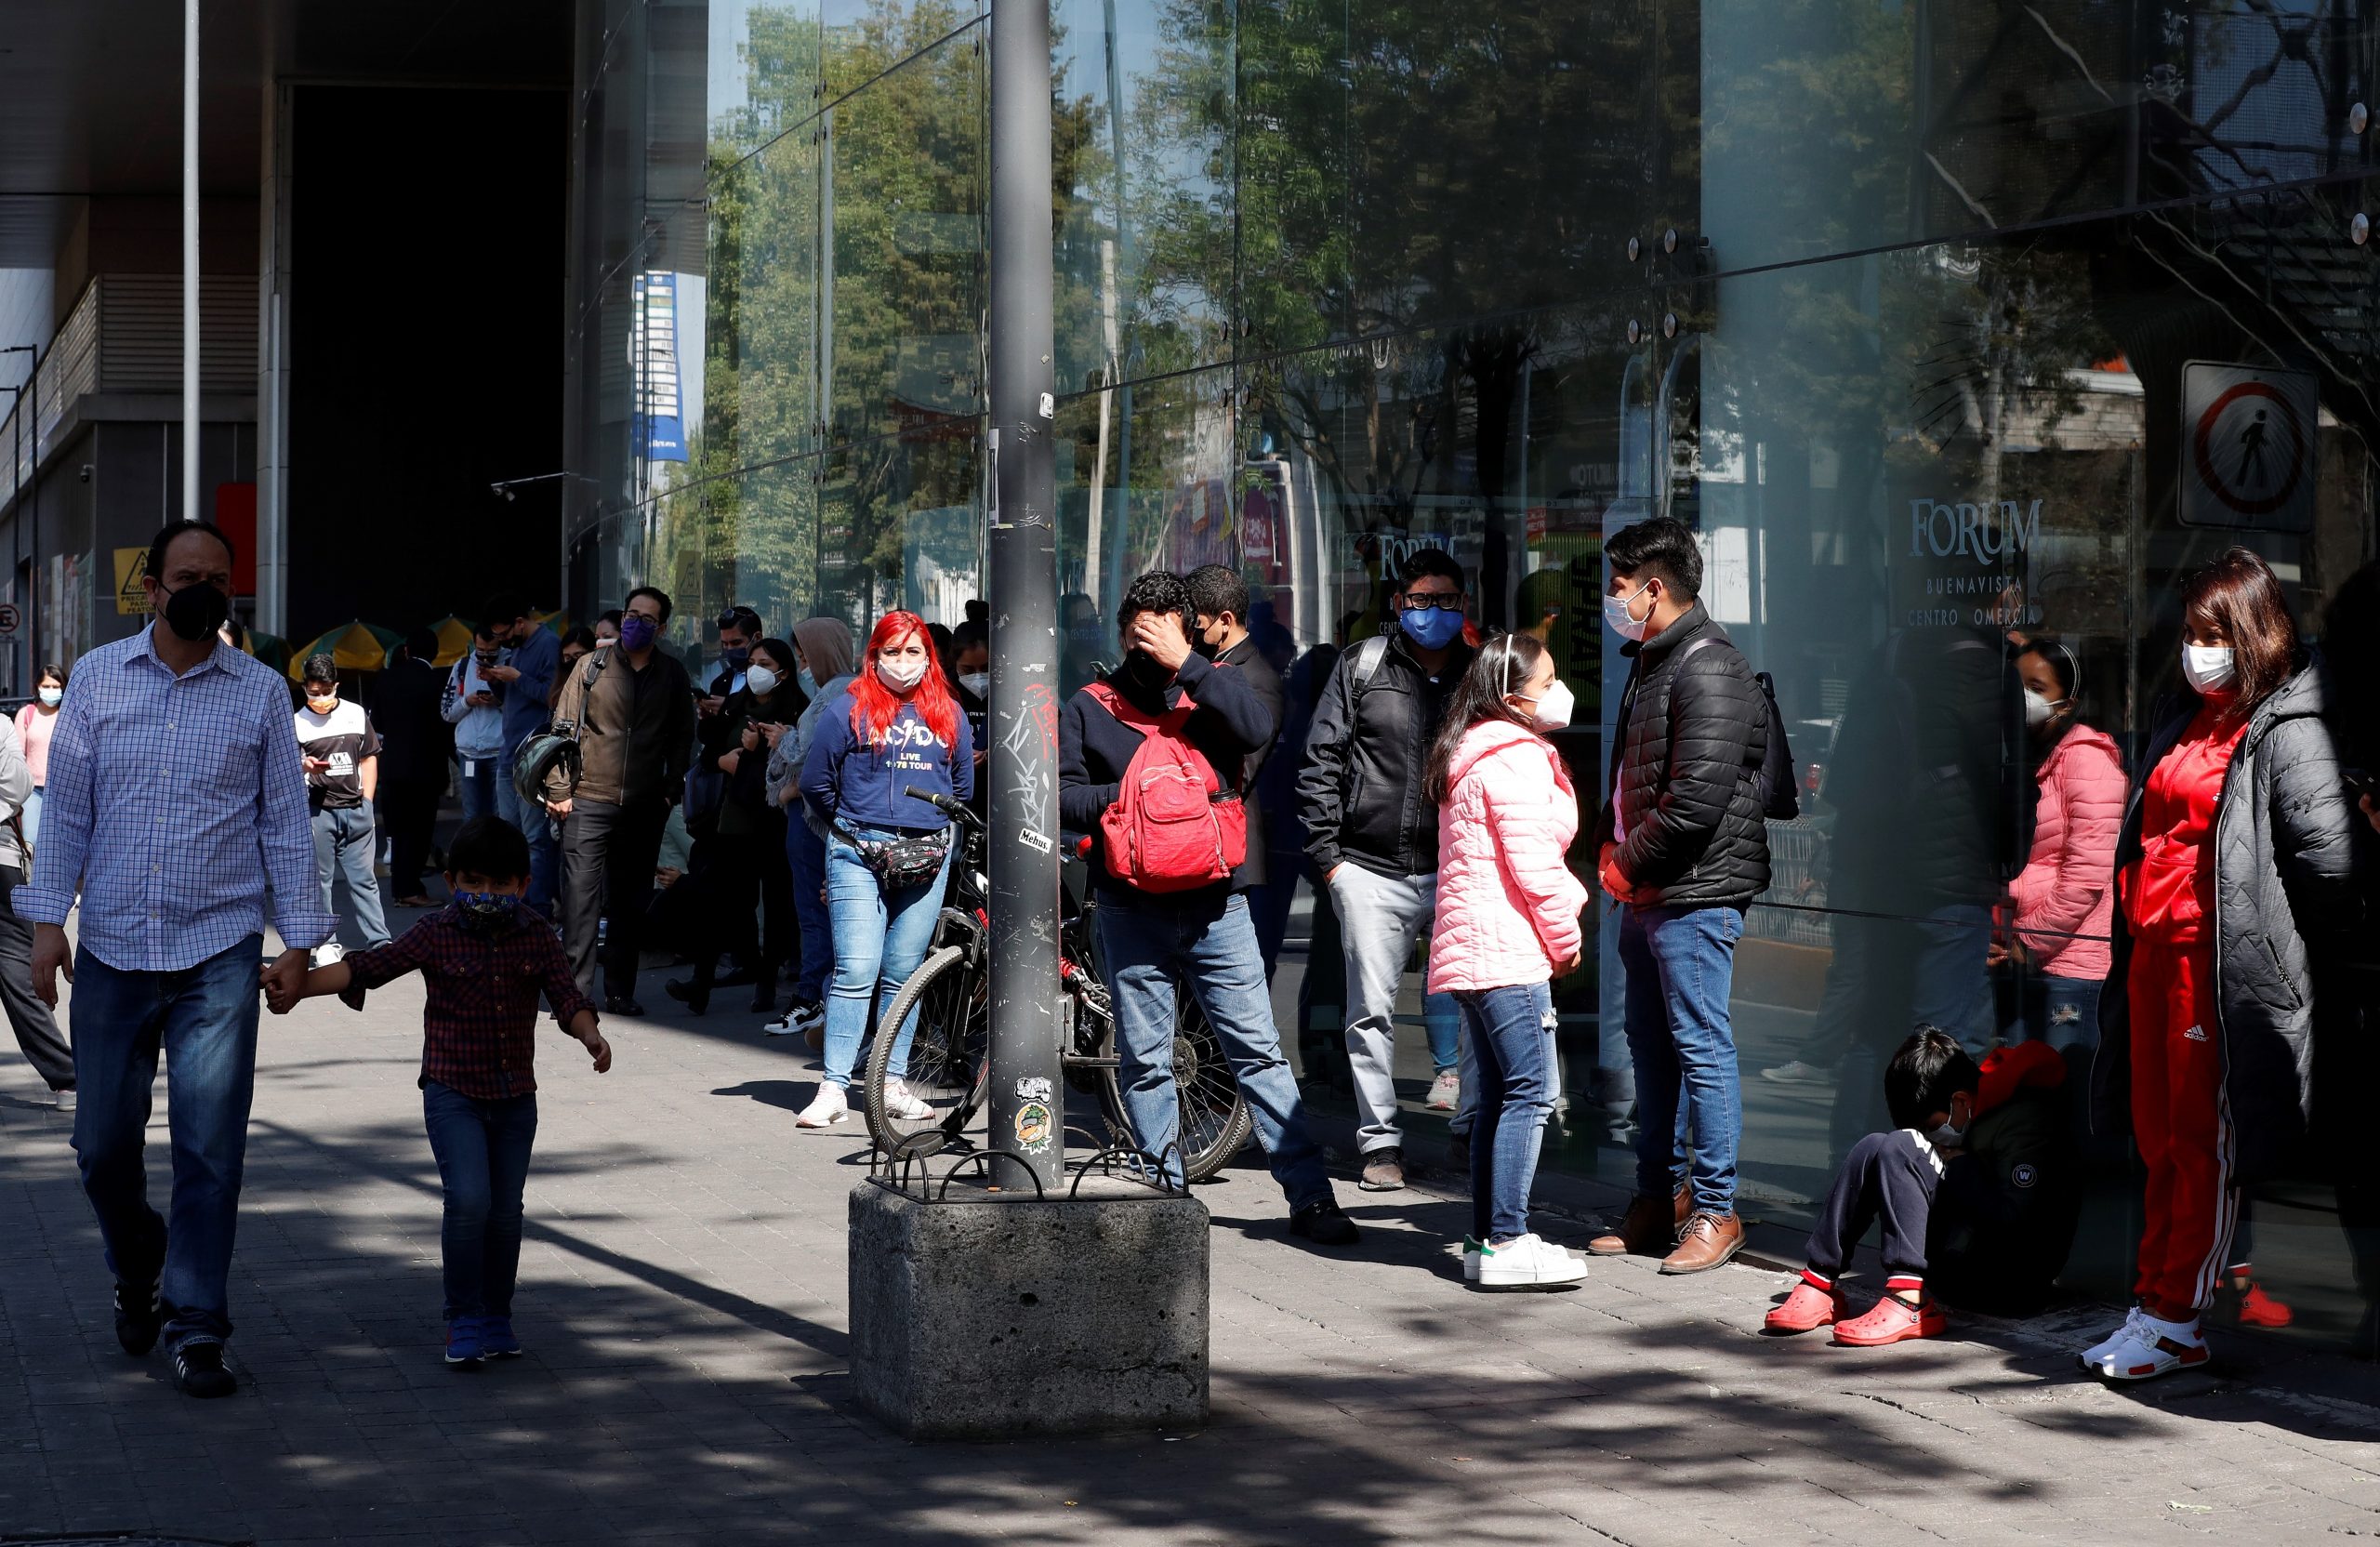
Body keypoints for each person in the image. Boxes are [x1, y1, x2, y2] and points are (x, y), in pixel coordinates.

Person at [20, 519, 333, 1399]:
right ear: (151, 588)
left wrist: (302, 946)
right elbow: (68, 809)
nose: (204, 587)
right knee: (99, 1147)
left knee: (209, 1149)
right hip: (114, 948)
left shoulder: (262, 692)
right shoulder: (95, 681)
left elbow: (283, 822)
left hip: (219, 956)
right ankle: (139, 1264)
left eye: (218, 575)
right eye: (186, 574)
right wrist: (48, 925)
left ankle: (196, 1323)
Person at [2080, 549, 2358, 1382]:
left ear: (2251, 632)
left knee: (2199, 1140)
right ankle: (2152, 1302)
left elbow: (2328, 859)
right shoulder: (2186, 713)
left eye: (2215, 633)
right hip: (2154, 951)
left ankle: (2177, 1316)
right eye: (2192, 633)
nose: (2199, 650)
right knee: (2159, 1135)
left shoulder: (2286, 725)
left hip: (2215, 961)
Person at [1062, 572, 1360, 1245]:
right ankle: (1163, 1193)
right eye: (1138, 631)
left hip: (1216, 906)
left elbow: (1257, 729)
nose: (1149, 644)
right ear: (1120, 631)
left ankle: (1310, 1196)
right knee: (1144, 1055)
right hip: (1128, 904)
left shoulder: (1216, 693)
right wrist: (1132, 798)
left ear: (1191, 627)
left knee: (1256, 1052)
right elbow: (1061, 793)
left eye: (1164, 629)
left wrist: (1188, 665)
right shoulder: (1089, 705)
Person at [263, 816, 611, 1368]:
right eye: (474, 882)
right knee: (470, 1201)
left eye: (500, 885)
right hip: (453, 1093)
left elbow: (565, 995)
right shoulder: (436, 931)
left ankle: (498, 1314)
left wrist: (589, 1032)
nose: (487, 895)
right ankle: (463, 1318)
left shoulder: (537, 934)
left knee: (505, 1212)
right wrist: (301, 986)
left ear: (522, 886)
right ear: (452, 881)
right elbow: (367, 968)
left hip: (516, 1096)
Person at [1586, 516, 1771, 1275]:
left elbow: (1696, 799)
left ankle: (1717, 1210)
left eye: (1619, 586)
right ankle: (1657, 1198)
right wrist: (1609, 847)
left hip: (1693, 893)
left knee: (1700, 1050)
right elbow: (1636, 778)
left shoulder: (1708, 666)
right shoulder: (1654, 660)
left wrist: (1624, 864)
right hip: (1647, 893)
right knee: (1651, 1053)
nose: (1610, 598)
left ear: (1655, 587)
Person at [1295, 547, 1478, 1192]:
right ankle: (1380, 1145)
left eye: (1447, 601)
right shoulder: (1363, 664)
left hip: (1461, 868)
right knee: (1369, 1011)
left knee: (1478, 1006)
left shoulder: (1481, 675)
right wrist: (1330, 862)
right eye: (1421, 600)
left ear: (1464, 606)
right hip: (1369, 870)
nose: (1434, 612)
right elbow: (1320, 760)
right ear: (1399, 605)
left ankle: (1471, 1131)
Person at [1425, 631, 1589, 1288]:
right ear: (1512, 694)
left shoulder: (1470, 753)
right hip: (1507, 950)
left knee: (1494, 1094)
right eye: (1547, 680)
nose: (1557, 692)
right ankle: (1510, 1239)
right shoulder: (1514, 758)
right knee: (1530, 1092)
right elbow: (1535, 867)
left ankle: (1488, 1241)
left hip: (1472, 949)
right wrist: (1566, 939)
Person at [1763, 1027, 2081, 1346]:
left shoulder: (2025, 1120)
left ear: (1960, 1100)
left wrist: (1958, 1165)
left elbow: (2016, 1218)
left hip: (2007, 1280)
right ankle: (1819, 1281)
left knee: (1902, 1145)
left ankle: (1907, 1301)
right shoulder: (1963, 1116)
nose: (1929, 1135)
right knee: (1873, 1146)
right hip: (1956, 1264)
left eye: (1929, 1126)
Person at [795, 611, 972, 1127]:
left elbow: (961, 789)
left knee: (904, 975)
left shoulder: (949, 714)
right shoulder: (847, 707)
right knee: (855, 970)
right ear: (874, 656)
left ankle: (890, 1082)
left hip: (928, 855)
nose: (903, 662)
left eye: (913, 651)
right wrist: (851, 830)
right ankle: (833, 1088)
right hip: (857, 851)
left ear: (928, 657)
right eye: (892, 652)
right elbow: (814, 782)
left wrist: (926, 830)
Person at [544, 586, 696, 1014]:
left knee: (629, 904)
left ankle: (620, 992)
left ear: (662, 627)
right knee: (580, 900)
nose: (636, 623)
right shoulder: (591, 666)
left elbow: (684, 736)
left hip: (644, 806)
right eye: (632, 614)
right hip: (588, 799)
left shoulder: (672, 673)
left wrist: (670, 789)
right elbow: (562, 728)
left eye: (647, 619)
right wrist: (559, 789)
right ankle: (573, 995)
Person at [1996, 640, 2123, 1055]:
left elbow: (2087, 877)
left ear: (2066, 704)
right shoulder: (2024, 758)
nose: (2023, 696)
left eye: (2037, 686)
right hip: (2029, 959)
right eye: (2017, 683)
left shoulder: (2087, 762)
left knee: (2067, 1094)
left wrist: (2029, 943)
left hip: (2074, 965)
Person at [669, 637, 803, 1014]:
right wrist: (721, 751)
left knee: (775, 905)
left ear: (784, 671)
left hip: (774, 822)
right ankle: (701, 982)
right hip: (733, 820)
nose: (756, 669)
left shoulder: (796, 711)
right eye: (752, 662)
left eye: (766, 663)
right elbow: (711, 756)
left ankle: (765, 983)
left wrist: (753, 754)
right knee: (718, 900)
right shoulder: (736, 704)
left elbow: (791, 766)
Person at [762, 617, 857, 1041]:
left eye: (804, 652)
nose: (801, 660)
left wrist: (783, 742)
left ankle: (811, 1000)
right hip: (822, 818)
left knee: (815, 913)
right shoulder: (838, 691)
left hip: (814, 820)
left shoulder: (836, 693)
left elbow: (807, 754)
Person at [296, 654, 392, 959]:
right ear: (304, 688)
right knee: (320, 882)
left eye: (326, 691)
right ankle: (326, 944)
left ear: (336, 685)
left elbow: (369, 757)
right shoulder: (297, 722)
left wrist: (367, 801)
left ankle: (380, 943)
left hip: (356, 808)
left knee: (365, 881)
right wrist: (305, 766)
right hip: (318, 810)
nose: (321, 698)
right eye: (314, 692)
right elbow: (288, 767)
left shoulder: (355, 713)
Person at [0, 714, 72, 1110]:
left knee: (19, 973)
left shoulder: (1, 726)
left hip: (2, 863)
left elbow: (19, 786)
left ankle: (66, 1077)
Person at [479, 594, 562, 913]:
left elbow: (553, 697)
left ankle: (536, 907)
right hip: (509, 753)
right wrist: (497, 681)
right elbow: (512, 699)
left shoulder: (548, 644)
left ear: (519, 622)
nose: (501, 640)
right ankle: (514, 902)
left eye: (503, 634)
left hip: (533, 756)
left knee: (534, 839)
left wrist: (517, 678)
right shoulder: (516, 650)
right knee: (509, 837)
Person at [377, 627, 455, 910]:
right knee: (419, 832)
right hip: (425, 769)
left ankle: (402, 888)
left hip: (393, 766)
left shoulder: (386, 678)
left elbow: (379, 724)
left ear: (406, 650)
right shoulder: (436, 681)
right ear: (434, 654)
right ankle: (410, 889)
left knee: (399, 832)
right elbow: (445, 726)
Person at [443, 624, 509, 826]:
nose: (486, 657)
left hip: (499, 752)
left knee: (501, 815)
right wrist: (467, 701)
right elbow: (446, 712)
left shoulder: (510, 664)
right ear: (474, 644)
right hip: (468, 752)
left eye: (491, 651)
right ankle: (473, 856)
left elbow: (521, 711)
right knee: (471, 815)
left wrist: (499, 702)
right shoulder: (462, 667)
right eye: (480, 651)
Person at [13, 661, 65, 843]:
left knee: (60, 843)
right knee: (32, 840)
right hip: (33, 791)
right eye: (46, 686)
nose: (51, 690)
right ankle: (33, 873)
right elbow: (17, 756)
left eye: (56, 687)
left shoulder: (69, 715)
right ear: (37, 686)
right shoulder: (26, 714)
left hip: (63, 789)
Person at [951, 617, 989, 820]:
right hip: (956, 802)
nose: (978, 677)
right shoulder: (945, 694)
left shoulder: (1011, 694)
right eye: (967, 670)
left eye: (985, 668)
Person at [549, 627, 598, 709]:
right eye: (567, 657)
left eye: (578, 655)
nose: (573, 661)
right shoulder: (559, 689)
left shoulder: (600, 686)